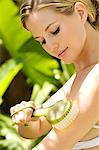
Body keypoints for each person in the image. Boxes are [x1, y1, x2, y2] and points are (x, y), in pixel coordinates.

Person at [10, 0, 99, 149]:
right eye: (42, 41)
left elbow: (52, 146)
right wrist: (24, 118)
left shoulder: (96, 78)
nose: (51, 47)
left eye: (54, 31)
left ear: (80, 13)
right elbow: (36, 128)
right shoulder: (79, 79)